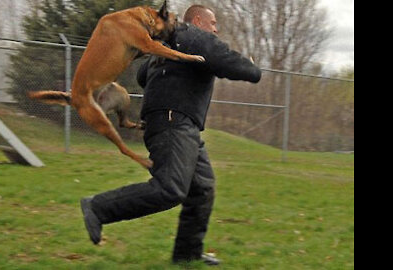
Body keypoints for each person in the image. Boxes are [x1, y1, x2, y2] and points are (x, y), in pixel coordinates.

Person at [80, 4, 262, 266]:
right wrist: (251, 67)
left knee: (202, 188)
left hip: (177, 123)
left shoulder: (169, 44)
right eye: (213, 23)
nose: (216, 29)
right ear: (197, 20)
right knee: (170, 188)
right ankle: (99, 207)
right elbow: (228, 62)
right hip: (173, 122)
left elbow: (144, 75)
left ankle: (187, 254)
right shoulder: (193, 36)